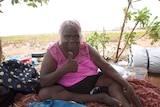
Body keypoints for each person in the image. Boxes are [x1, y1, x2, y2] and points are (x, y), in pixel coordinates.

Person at [38, 20, 142, 107]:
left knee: (113, 80)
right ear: (60, 37)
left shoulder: (85, 47)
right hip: (67, 88)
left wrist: (127, 86)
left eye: (76, 36)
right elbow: (43, 82)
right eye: (67, 36)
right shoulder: (53, 52)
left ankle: (125, 105)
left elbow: (105, 66)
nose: (72, 40)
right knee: (44, 94)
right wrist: (63, 70)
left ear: (80, 36)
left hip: (91, 81)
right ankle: (99, 97)